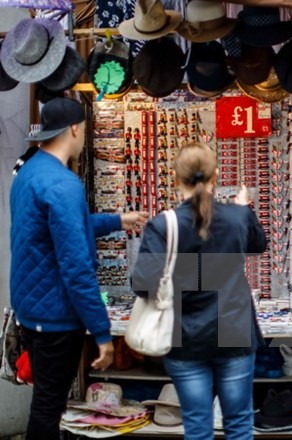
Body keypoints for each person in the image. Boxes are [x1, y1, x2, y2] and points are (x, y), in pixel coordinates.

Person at [9, 97, 148, 440]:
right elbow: (77, 268)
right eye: (84, 129)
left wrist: (119, 219)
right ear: (74, 128)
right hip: (56, 317)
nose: (84, 135)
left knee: (45, 400)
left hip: (32, 309)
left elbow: (60, 226)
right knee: (48, 406)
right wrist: (103, 335)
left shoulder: (29, 172)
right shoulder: (64, 184)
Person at [131, 142, 266, 440]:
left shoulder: (164, 225)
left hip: (185, 332)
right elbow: (258, 244)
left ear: (176, 178)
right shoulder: (237, 218)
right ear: (215, 176)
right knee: (239, 425)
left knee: (197, 426)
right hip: (233, 329)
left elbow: (142, 284)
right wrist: (245, 208)